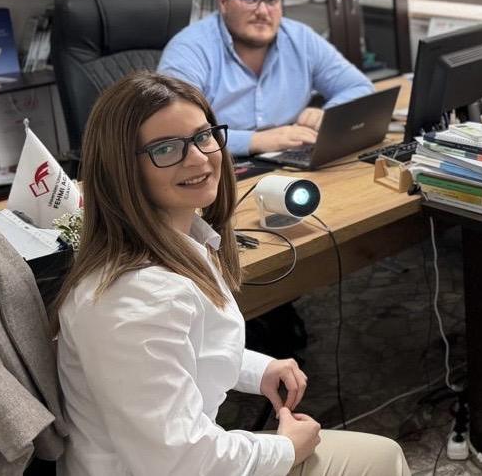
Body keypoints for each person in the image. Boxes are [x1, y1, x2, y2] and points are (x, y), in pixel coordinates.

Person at [51, 71, 409, 475]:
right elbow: (177, 463)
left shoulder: (179, 240)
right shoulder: (135, 299)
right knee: (382, 459)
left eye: (203, 136)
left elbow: (180, 353)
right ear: (122, 169)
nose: (198, 158)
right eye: (166, 148)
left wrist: (257, 369)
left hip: (182, 456)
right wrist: (285, 449)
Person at [159, 0, 374, 156]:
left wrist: (328, 115)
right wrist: (255, 141)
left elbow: (359, 87)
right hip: (217, 164)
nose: (263, 11)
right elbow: (177, 128)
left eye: (271, 1)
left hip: (288, 156)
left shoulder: (300, 38)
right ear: (223, 3)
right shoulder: (190, 49)